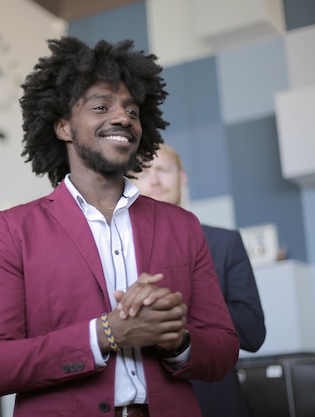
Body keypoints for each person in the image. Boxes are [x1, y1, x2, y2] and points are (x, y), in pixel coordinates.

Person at [0, 36, 239, 417]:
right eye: (101, 106)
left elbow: (224, 349)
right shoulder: (13, 229)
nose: (123, 117)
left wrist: (177, 340)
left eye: (132, 110)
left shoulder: (183, 226)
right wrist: (105, 334)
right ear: (63, 127)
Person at [131, 143, 266, 417]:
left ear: (182, 177)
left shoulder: (225, 242)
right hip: (152, 403)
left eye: (162, 170)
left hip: (216, 398)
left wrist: (186, 307)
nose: (154, 180)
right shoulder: (122, 249)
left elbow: (252, 332)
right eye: (143, 173)